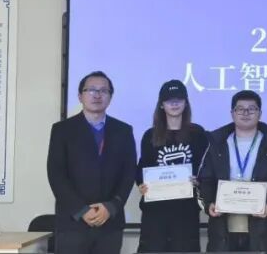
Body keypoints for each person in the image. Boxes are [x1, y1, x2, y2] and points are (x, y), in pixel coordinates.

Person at [46, 71, 136, 254]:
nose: (97, 95)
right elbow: (56, 174)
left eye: (103, 90)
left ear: (110, 97)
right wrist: (81, 210)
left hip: (110, 224)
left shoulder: (123, 131)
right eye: (91, 90)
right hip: (73, 223)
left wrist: (111, 207)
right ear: (80, 96)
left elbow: (129, 173)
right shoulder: (62, 130)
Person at [197, 91, 267, 254]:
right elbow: (204, 179)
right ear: (232, 113)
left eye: (252, 109)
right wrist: (208, 204)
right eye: (240, 109)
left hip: (262, 230)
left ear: (260, 113)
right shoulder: (217, 143)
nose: (246, 113)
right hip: (222, 231)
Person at [136, 80, 208, 253]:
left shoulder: (198, 134)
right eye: (169, 100)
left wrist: (199, 180)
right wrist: (141, 184)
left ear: (186, 103)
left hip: (186, 211)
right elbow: (141, 169)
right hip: (156, 211)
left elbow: (206, 168)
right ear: (161, 104)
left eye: (179, 99)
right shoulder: (150, 135)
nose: (174, 104)